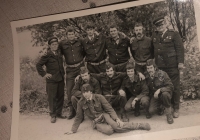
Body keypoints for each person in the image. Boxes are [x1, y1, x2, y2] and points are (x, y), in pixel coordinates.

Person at [65, 84, 151, 135]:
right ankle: (116, 126)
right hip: (96, 121)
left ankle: (139, 125)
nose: (85, 94)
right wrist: (73, 130)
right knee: (109, 131)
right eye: (83, 92)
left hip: (104, 116)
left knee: (117, 126)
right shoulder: (81, 102)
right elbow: (78, 117)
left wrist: (117, 119)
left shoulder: (99, 97)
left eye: (87, 92)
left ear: (90, 91)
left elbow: (109, 109)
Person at [152, 16, 184, 118]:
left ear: (165, 24)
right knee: (162, 87)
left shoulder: (174, 34)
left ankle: (176, 108)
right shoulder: (155, 36)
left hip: (172, 65)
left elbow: (180, 49)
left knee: (175, 87)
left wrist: (180, 63)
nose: (160, 27)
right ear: (156, 27)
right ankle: (165, 106)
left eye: (161, 24)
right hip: (160, 67)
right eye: (158, 26)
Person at [36, 37, 65, 123]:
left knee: (61, 96)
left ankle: (59, 113)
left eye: (56, 44)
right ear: (49, 46)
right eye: (53, 45)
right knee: (52, 98)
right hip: (52, 80)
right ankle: (53, 115)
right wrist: (44, 74)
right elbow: (38, 65)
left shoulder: (59, 53)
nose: (55, 46)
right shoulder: (47, 55)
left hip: (60, 78)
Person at [59, 26, 85, 119]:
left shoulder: (80, 41)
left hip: (80, 67)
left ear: (75, 34)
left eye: (72, 34)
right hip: (69, 69)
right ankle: (72, 110)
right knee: (70, 89)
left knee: (82, 87)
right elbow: (56, 51)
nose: (71, 36)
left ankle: (84, 108)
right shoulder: (62, 44)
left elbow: (85, 51)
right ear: (66, 35)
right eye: (69, 34)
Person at [145, 59, 174, 124]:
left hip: (164, 94)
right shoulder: (146, 76)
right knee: (151, 111)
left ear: (155, 68)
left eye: (151, 68)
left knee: (165, 94)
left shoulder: (162, 74)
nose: (149, 70)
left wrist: (160, 90)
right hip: (155, 96)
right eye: (148, 68)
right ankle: (161, 107)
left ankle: (169, 115)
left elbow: (171, 86)